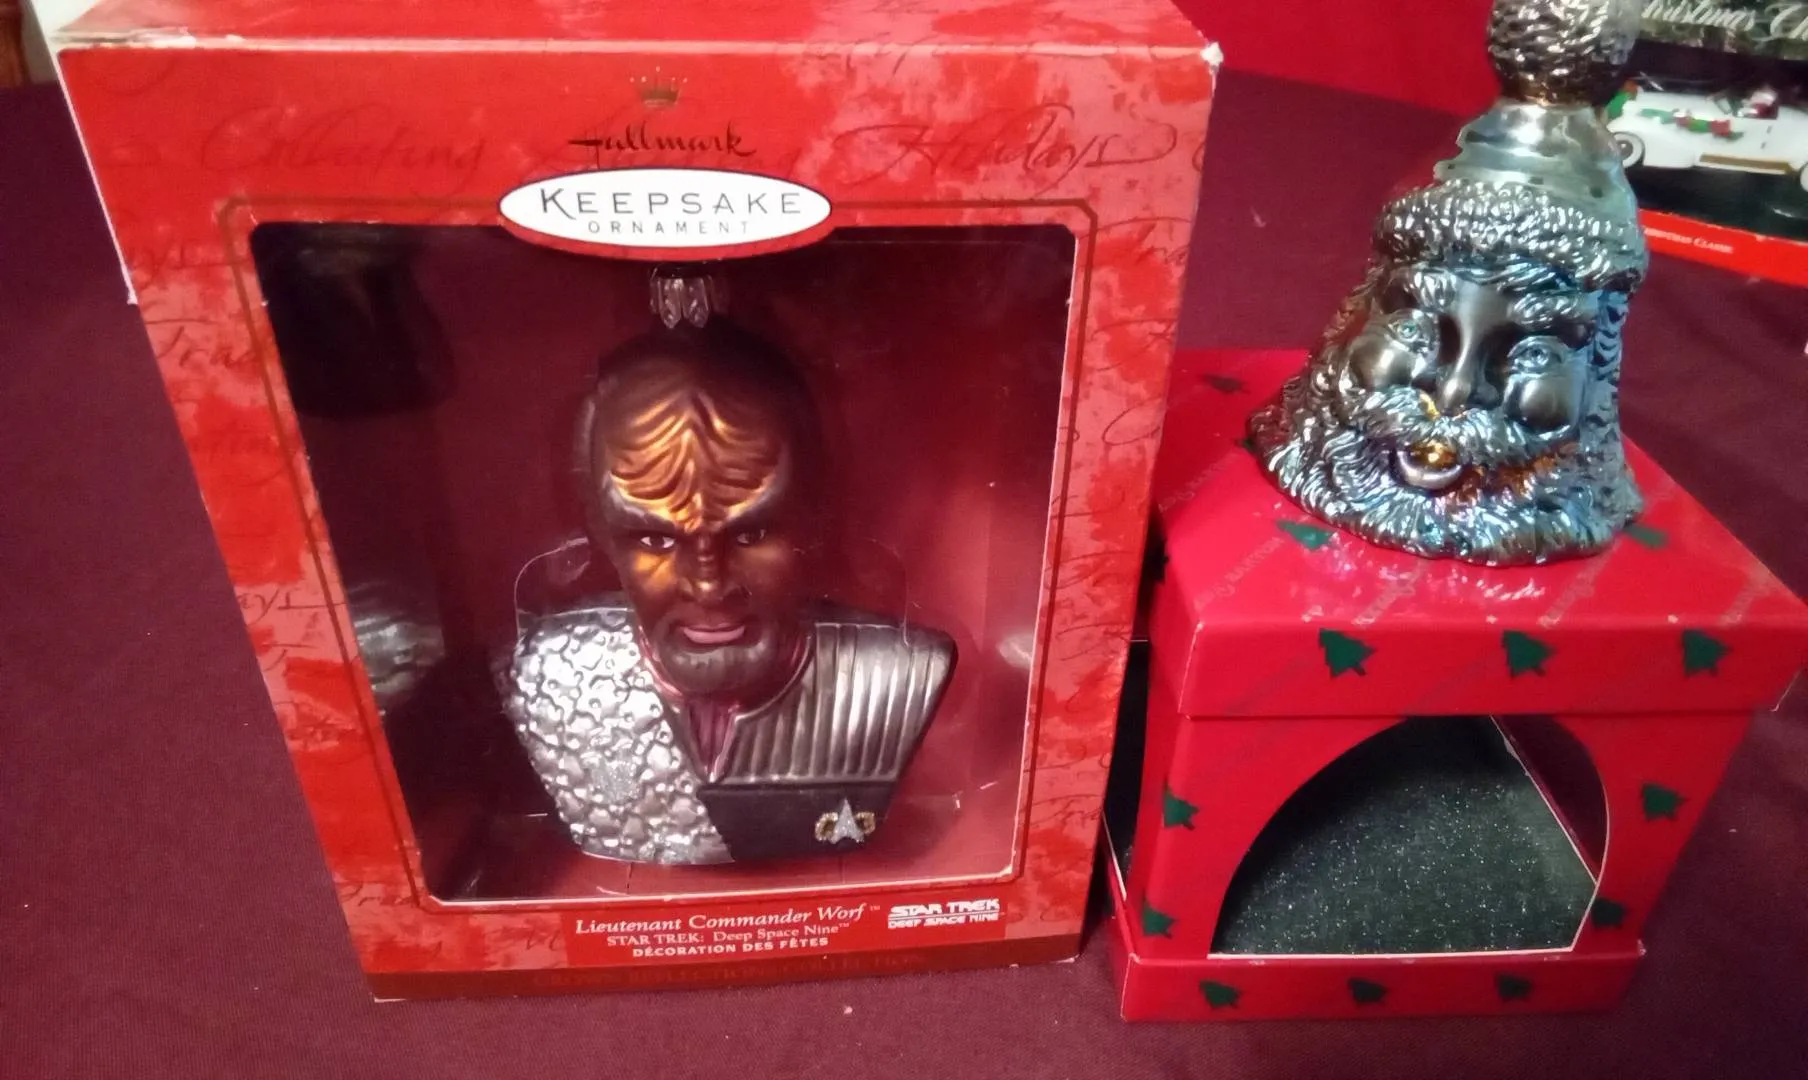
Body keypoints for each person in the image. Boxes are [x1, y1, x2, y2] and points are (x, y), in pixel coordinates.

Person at [500, 271, 955, 864]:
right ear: (601, 532)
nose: (708, 583)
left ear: (813, 516)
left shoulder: (902, 674)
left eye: (752, 532)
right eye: (655, 539)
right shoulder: (544, 676)